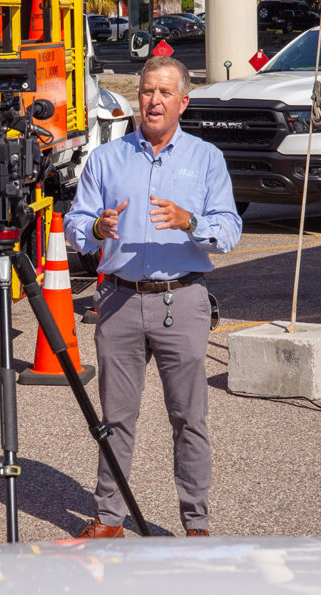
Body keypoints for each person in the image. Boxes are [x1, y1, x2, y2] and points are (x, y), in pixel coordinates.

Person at [63, 57, 242, 538]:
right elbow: (75, 223)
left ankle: (196, 525)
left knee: (189, 418)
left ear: (183, 102)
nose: (154, 101)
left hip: (181, 300)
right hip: (118, 301)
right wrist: (96, 228)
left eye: (164, 93)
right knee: (115, 419)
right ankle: (108, 518)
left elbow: (229, 231)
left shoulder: (206, 158)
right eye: (147, 91)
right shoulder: (107, 158)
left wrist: (191, 222)